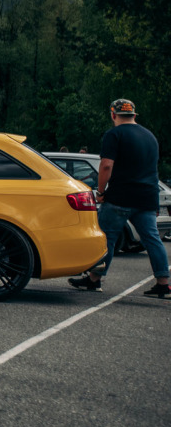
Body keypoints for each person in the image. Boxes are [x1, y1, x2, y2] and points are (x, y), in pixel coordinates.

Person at [69, 99, 170, 298]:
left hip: (120, 197)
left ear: (113, 115)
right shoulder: (150, 136)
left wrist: (100, 191)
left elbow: (106, 165)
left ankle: (94, 279)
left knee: (106, 238)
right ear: (134, 115)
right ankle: (163, 283)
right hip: (147, 197)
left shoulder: (114, 134)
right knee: (152, 239)